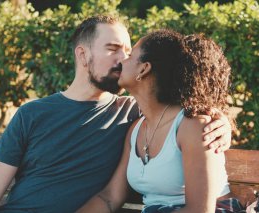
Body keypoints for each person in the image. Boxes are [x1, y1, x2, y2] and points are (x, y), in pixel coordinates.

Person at [0, 16, 232, 213]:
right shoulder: (32, 113)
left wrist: (221, 120)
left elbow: (186, 104)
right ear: (83, 55)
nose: (121, 59)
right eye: (113, 49)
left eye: (126, 51)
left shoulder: (132, 112)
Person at [77, 30, 243, 213]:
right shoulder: (136, 130)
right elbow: (110, 197)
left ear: (143, 68)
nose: (122, 60)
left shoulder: (193, 126)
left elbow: (200, 210)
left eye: (130, 55)